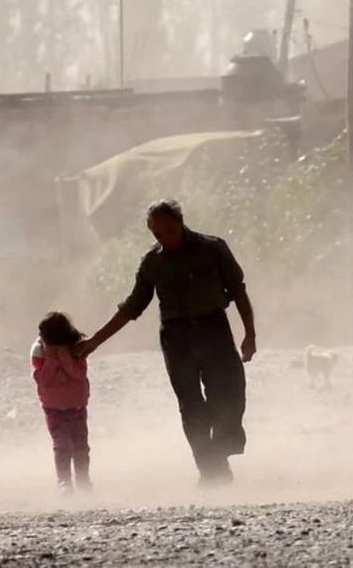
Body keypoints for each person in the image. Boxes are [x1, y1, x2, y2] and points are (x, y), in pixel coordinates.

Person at [76, 199, 256, 486]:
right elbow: (133, 306)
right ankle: (210, 471)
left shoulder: (213, 248)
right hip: (177, 339)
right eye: (157, 234)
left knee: (230, 394)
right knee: (191, 406)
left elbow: (238, 290)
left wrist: (250, 333)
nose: (165, 238)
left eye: (169, 231)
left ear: (181, 223)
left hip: (214, 331)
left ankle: (219, 453)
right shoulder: (153, 262)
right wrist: (96, 340)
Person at [31, 312, 92, 495]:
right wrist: (51, 359)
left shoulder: (76, 347)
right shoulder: (39, 350)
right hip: (53, 408)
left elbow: (79, 375)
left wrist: (64, 357)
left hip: (76, 405)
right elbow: (42, 380)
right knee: (62, 445)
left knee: (80, 444)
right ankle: (64, 482)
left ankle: (83, 479)